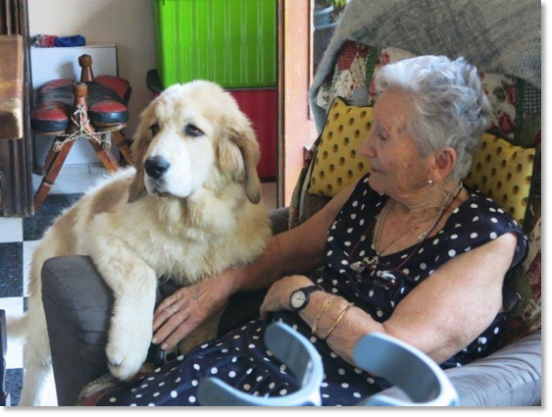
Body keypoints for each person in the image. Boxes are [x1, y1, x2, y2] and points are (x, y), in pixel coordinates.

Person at [87, 55, 527, 406]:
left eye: (384, 137)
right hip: (265, 354)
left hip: (337, 392)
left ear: (441, 163)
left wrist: (303, 296)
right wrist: (219, 286)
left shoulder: (485, 241)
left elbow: (396, 353)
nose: (363, 147)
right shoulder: (372, 192)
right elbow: (285, 253)